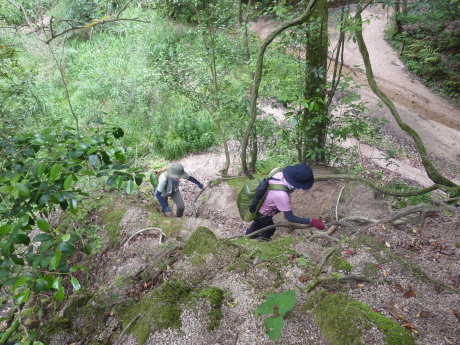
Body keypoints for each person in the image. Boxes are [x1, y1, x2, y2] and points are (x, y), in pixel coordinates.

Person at [245, 163, 326, 240]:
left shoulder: (278, 172)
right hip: (264, 214)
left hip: (258, 207)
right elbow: (289, 217)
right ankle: (260, 243)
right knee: (269, 230)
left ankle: (247, 237)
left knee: (257, 223)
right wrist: (312, 221)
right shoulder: (281, 195)